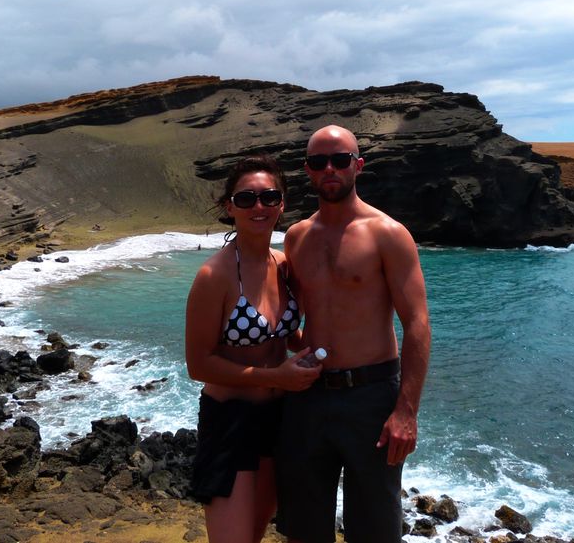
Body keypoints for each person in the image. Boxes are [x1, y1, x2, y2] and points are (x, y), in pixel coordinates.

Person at [276, 126, 432, 543]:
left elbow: (416, 323)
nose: (330, 169)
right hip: (307, 396)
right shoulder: (296, 237)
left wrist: (406, 411)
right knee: (304, 525)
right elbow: (289, 319)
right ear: (307, 171)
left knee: (375, 528)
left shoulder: (388, 234)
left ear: (357, 166)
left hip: (372, 397)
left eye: (340, 160)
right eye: (318, 162)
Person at [185, 154, 321, 543]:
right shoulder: (214, 276)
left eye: (268, 197)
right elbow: (198, 364)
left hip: (281, 420)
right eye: (246, 199)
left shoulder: (283, 264)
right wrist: (275, 375)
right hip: (230, 422)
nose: (258, 207)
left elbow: (284, 335)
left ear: (281, 203)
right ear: (229, 207)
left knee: (258, 531)